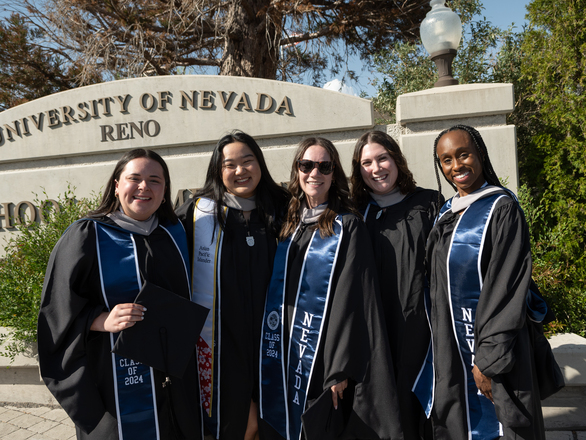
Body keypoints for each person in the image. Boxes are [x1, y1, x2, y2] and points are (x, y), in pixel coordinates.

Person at [37, 149, 202, 440]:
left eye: (155, 180)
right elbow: (56, 310)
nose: (144, 187)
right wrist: (99, 320)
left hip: (175, 382)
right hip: (113, 382)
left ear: (165, 191)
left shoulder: (174, 233)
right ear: (116, 184)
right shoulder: (87, 236)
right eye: (134, 178)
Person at [259, 137, 403, 440]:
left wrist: (338, 368)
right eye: (307, 165)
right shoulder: (289, 226)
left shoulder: (346, 226)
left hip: (324, 355)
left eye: (324, 166)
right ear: (297, 170)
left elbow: (354, 300)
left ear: (334, 173)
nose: (315, 173)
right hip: (287, 350)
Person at [414, 125, 547, 440]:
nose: (456, 166)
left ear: (480, 155)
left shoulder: (502, 209)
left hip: (496, 354)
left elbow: (507, 290)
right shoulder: (446, 214)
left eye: (463, 154)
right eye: (446, 160)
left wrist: (487, 361)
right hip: (452, 352)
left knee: (504, 426)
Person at [176, 131, 289, 440]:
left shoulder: (284, 209)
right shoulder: (197, 215)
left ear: (260, 164)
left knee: (273, 423)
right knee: (238, 426)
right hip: (223, 345)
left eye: (248, 161)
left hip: (277, 337)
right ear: (218, 170)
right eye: (230, 164)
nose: (240, 171)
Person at [350, 130, 443, 440]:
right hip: (376, 333)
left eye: (382, 158)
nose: (376, 168)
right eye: (367, 162)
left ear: (397, 160)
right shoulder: (354, 215)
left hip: (423, 332)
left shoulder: (429, 202)